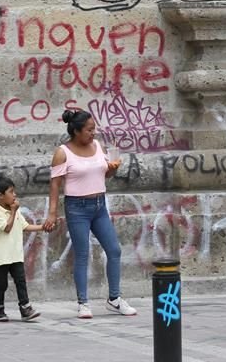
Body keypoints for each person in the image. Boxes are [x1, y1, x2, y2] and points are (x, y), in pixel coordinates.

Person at [43, 109, 137, 319]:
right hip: (77, 207)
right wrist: (52, 213)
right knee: (82, 254)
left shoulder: (97, 146)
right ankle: (83, 302)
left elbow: (107, 173)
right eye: (89, 130)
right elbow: (55, 184)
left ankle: (114, 298)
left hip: (99, 206)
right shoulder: (63, 152)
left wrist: (114, 167)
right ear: (76, 131)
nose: (93, 133)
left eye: (94, 129)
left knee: (114, 250)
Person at [0, 175, 45, 322]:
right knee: (2, 284)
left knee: (21, 280)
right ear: (0, 195)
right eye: (11, 192)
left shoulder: (15, 210)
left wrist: (43, 227)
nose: (14, 195)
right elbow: (7, 228)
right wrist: (13, 211)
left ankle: (25, 309)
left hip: (16, 254)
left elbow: (25, 226)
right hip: (2, 256)